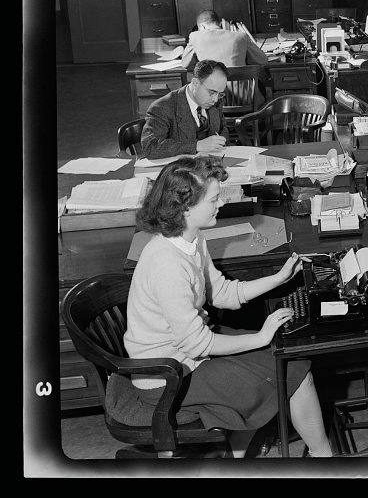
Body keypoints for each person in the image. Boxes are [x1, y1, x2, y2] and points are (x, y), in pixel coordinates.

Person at [111, 156, 334, 458]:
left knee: (286, 361)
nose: (220, 205)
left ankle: (239, 456)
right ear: (186, 207)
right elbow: (196, 341)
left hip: (188, 355)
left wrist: (279, 278)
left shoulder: (190, 238)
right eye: (214, 199)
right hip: (168, 376)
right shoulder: (167, 264)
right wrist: (260, 337)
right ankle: (326, 460)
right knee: (291, 371)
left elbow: (223, 293)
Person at [140, 59, 231, 159]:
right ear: (195, 83)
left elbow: (223, 130)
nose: (215, 99)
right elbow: (150, 147)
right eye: (212, 92)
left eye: (220, 93)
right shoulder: (162, 107)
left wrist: (221, 141)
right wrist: (197, 146)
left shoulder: (216, 101)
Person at [181, 10, 269, 70]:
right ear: (219, 23)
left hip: (212, 94)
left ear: (202, 26)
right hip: (241, 95)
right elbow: (263, 60)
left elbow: (185, 64)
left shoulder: (195, 36)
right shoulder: (241, 36)